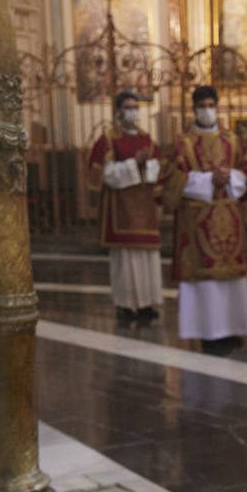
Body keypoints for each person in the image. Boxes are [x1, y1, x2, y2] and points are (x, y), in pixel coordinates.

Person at [165, 85, 247, 351]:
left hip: (229, 216)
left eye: (211, 105)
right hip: (197, 223)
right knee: (207, 284)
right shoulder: (183, 142)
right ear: (194, 110)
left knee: (231, 282)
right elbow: (173, 181)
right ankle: (209, 333)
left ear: (217, 106)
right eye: (202, 105)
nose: (207, 110)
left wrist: (232, 178)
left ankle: (232, 329)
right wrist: (207, 179)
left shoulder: (233, 140)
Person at [89, 91, 163, 325]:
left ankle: (146, 305)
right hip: (121, 209)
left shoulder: (148, 140)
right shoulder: (108, 140)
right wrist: (134, 164)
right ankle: (125, 306)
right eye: (128, 107)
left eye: (135, 107)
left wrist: (146, 166)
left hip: (144, 208)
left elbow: (159, 169)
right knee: (125, 260)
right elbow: (105, 175)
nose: (133, 111)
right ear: (118, 111)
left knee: (147, 259)